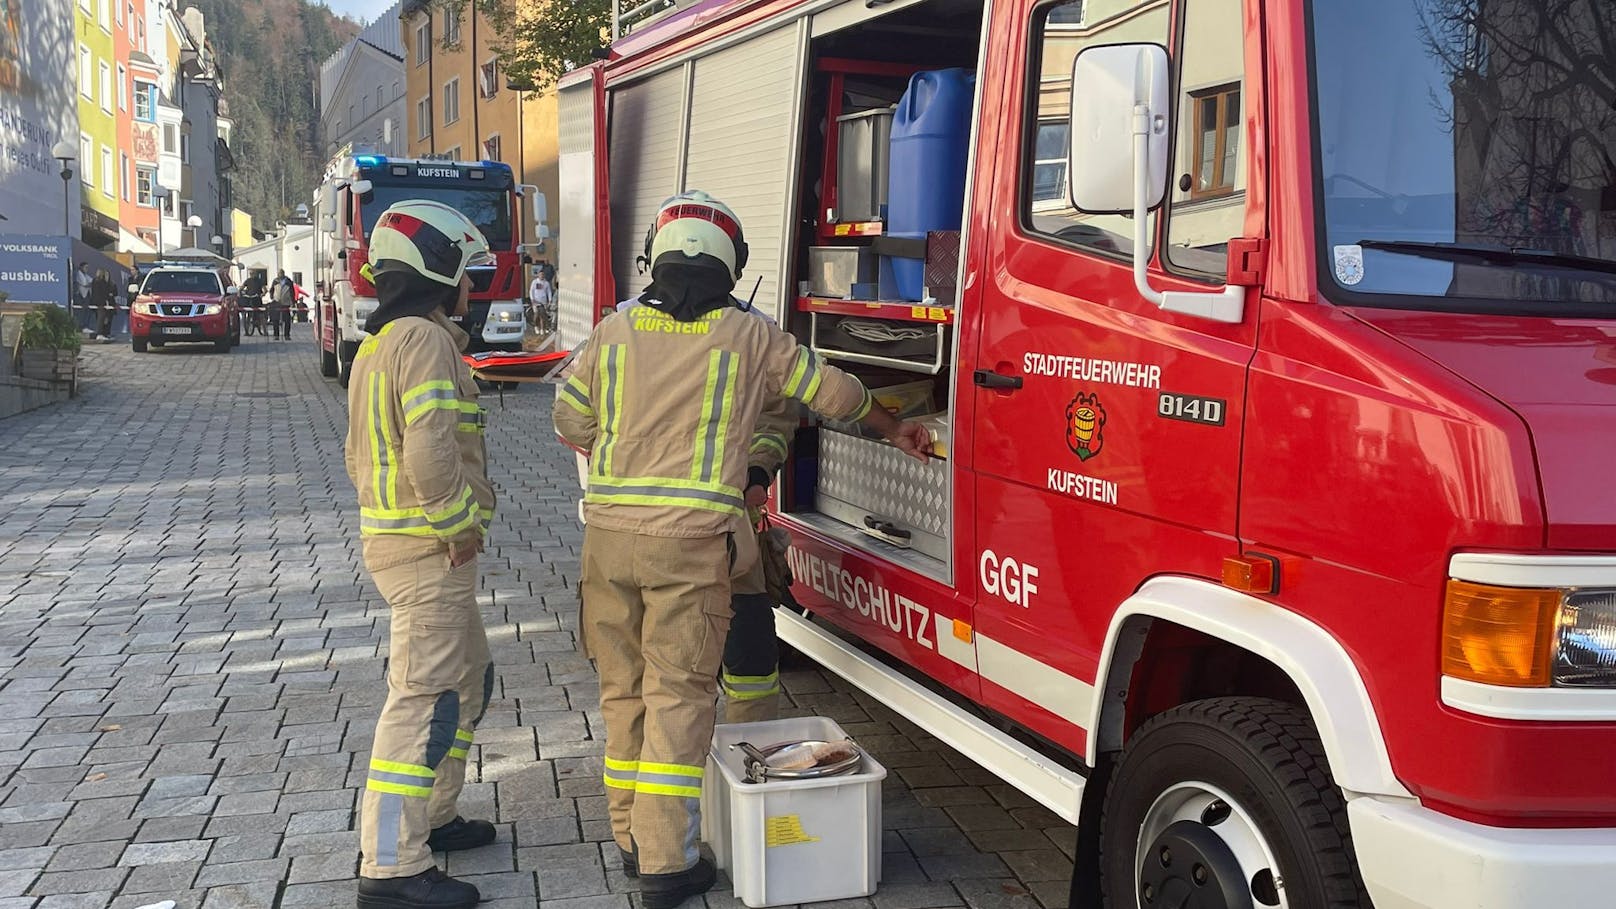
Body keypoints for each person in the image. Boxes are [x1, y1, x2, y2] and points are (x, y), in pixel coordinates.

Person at [553, 191, 930, 908]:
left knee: (623, 691)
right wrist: (895, 427)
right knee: (678, 696)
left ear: (657, 259)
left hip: (606, 544)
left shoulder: (613, 329)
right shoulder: (749, 335)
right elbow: (834, 392)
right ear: (731, 265)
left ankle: (630, 836)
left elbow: (568, 414)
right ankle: (667, 864)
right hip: (689, 547)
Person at [344, 200, 499, 909]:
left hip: (403, 544)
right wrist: (457, 523)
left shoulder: (380, 343)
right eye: (467, 270)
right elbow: (430, 451)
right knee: (422, 700)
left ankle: (433, 815)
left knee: (467, 680)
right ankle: (391, 865)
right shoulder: (427, 344)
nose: (474, 285)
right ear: (439, 268)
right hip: (429, 548)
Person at [611, 294, 791, 723]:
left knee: (749, 656)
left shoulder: (751, 330)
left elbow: (775, 416)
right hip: (657, 536)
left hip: (723, 537)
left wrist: (757, 470)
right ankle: (685, 762)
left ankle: (749, 762)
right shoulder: (624, 325)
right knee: (670, 671)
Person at [270, 270, 295, 340]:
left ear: (283, 274)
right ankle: (276, 335)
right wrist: (272, 296)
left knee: (287, 319)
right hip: (277, 301)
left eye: (281, 273)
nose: (279, 275)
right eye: (279, 274)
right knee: (275, 319)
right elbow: (271, 290)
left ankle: (287, 335)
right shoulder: (275, 281)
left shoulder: (288, 281)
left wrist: (293, 302)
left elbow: (292, 292)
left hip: (286, 301)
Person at [91, 269, 115, 341]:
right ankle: (100, 334)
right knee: (101, 318)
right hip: (101, 302)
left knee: (99, 317)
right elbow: (104, 293)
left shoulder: (94, 281)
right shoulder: (102, 282)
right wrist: (106, 301)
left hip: (95, 302)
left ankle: (100, 333)